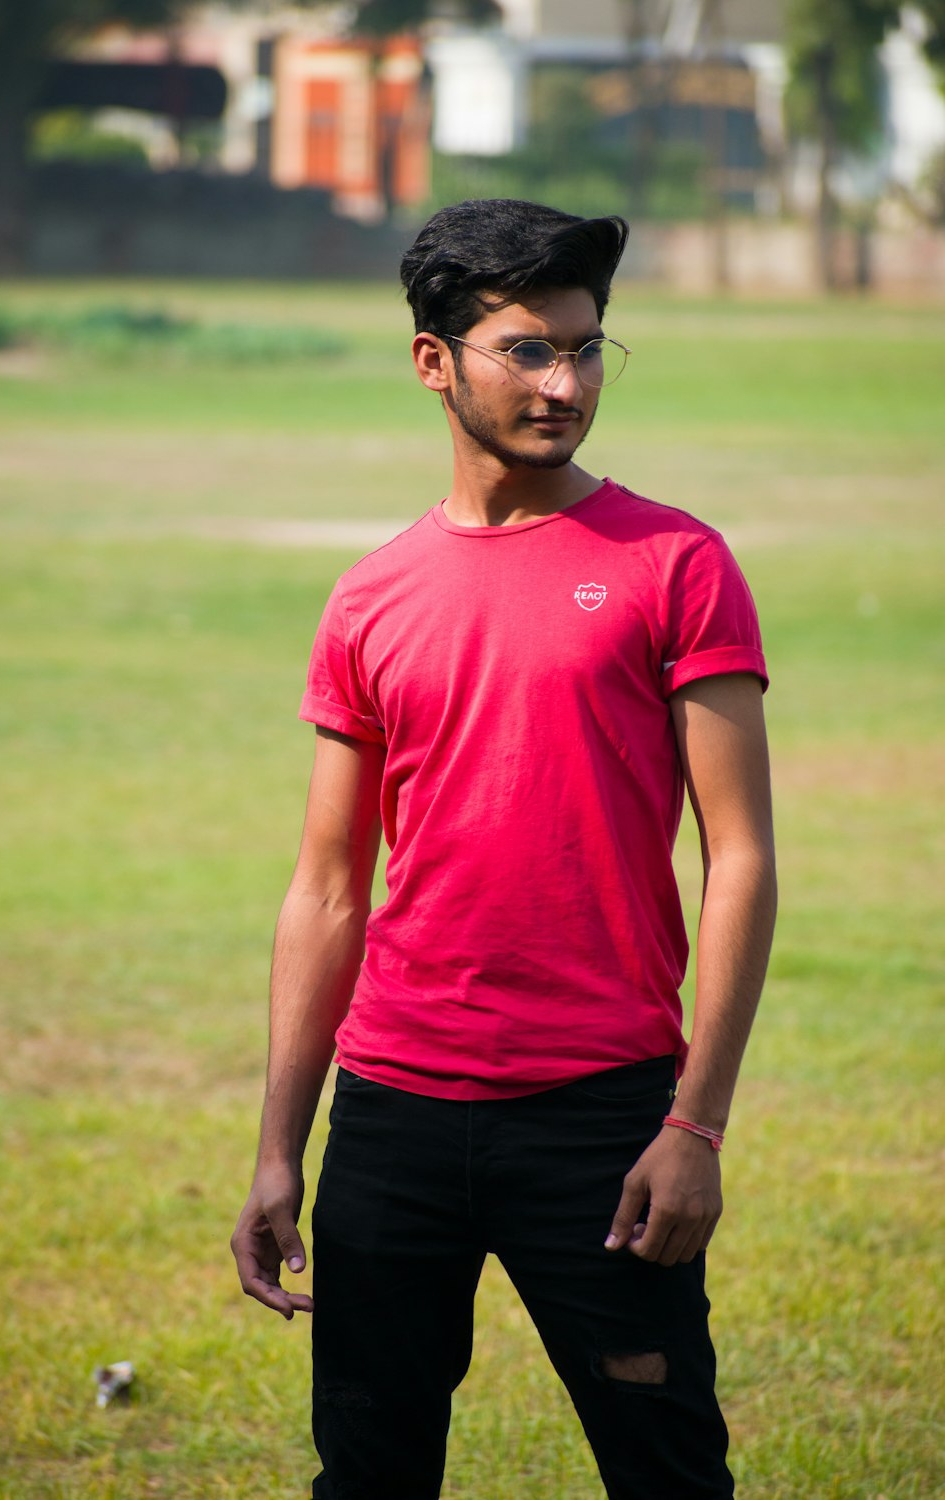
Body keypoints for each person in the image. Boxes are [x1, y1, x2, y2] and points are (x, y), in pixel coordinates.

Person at [231, 198, 777, 1500]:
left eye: (588, 349)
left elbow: (742, 857)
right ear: (434, 362)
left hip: (602, 1119)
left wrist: (695, 1126)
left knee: (667, 1470)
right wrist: (278, 1148)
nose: (568, 383)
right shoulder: (371, 593)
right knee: (368, 1472)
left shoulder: (678, 565)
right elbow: (325, 889)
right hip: (393, 1120)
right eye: (528, 350)